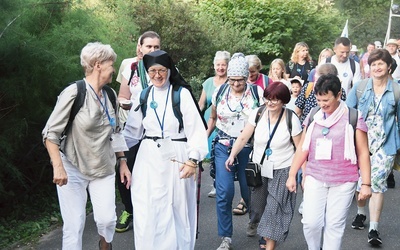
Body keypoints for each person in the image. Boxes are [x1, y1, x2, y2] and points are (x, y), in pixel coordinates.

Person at [42, 42, 131, 250]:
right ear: (97, 64)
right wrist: (58, 166)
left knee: (107, 220)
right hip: (72, 167)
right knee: (74, 224)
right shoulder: (74, 93)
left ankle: (104, 242)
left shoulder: (110, 95)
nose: (113, 69)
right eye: (111, 64)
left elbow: (116, 131)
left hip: (103, 167)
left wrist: (123, 161)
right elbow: (50, 134)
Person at [123, 50, 208, 250]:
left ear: (169, 70)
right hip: (148, 157)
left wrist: (193, 160)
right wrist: (119, 158)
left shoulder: (182, 94)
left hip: (177, 155)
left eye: (161, 70)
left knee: (175, 207)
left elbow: (196, 129)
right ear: (147, 72)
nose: (157, 76)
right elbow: (132, 132)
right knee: (146, 206)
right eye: (152, 71)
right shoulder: (143, 95)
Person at [286, 73, 372, 250]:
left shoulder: (353, 117)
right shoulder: (314, 115)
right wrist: (292, 174)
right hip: (315, 176)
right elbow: (303, 147)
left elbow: (363, 153)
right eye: (319, 100)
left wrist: (366, 183)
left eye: (326, 100)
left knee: (334, 225)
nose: (322, 104)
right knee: (311, 223)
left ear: (339, 95)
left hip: (344, 180)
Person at [228, 82, 302, 250]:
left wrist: (296, 173)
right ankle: (260, 227)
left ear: (283, 100)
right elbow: (243, 138)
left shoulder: (291, 119)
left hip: (283, 168)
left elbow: (300, 149)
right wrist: (232, 155)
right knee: (258, 206)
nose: (270, 103)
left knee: (275, 207)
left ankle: (269, 244)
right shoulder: (258, 113)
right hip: (259, 167)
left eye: (275, 100)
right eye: (268, 99)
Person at [207, 53, 263, 250]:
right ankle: (226, 237)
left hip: (248, 148)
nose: (235, 84)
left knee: (251, 192)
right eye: (232, 80)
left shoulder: (256, 94)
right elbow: (213, 118)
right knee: (224, 191)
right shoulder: (220, 92)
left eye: (239, 80)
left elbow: (264, 122)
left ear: (246, 77)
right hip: (223, 145)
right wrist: (203, 138)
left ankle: (255, 220)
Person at [347, 48, 400, 246]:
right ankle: (361, 213)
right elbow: (348, 114)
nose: (377, 67)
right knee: (362, 183)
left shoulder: (396, 90)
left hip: (385, 146)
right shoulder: (360, 87)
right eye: (373, 64)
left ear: (389, 66)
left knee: (376, 184)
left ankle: (374, 228)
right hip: (360, 144)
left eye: (381, 64)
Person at [114, 31, 161, 233]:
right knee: (123, 169)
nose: (152, 50)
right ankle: (129, 210)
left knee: (155, 173)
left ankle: (153, 213)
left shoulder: (165, 67)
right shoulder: (131, 66)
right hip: (133, 130)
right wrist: (125, 104)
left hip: (158, 131)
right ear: (139, 47)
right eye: (148, 46)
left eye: (156, 47)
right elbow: (122, 96)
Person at [198, 51, 231, 198]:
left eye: (223, 65)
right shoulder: (208, 82)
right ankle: (215, 183)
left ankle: (222, 182)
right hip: (209, 119)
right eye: (218, 65)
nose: (220, 68)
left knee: (222, 152)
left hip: (225, 121)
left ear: (228, 66)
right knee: (212, 153)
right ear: (214, 66)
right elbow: (202, 103)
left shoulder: (231, 82)